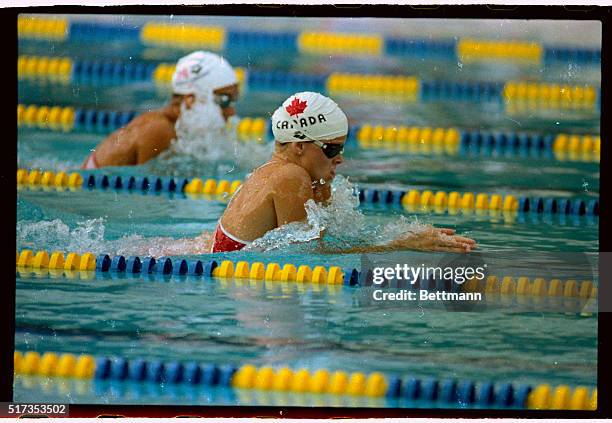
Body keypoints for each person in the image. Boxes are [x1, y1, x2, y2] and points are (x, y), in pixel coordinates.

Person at [206, 91, 477, 254]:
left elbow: (320, 239)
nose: (340, 159)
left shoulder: (279, 172)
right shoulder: (290, 177)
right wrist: (402, 243)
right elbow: (306, 255)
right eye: (332, 149)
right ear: (300, 145)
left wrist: (322, 191)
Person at [81, 51, 239, 169]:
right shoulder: (158, 130)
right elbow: (146, 199)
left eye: (233, 101)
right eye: (224, 101)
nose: (231, 112)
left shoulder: (177, 128)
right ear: (190, 100)